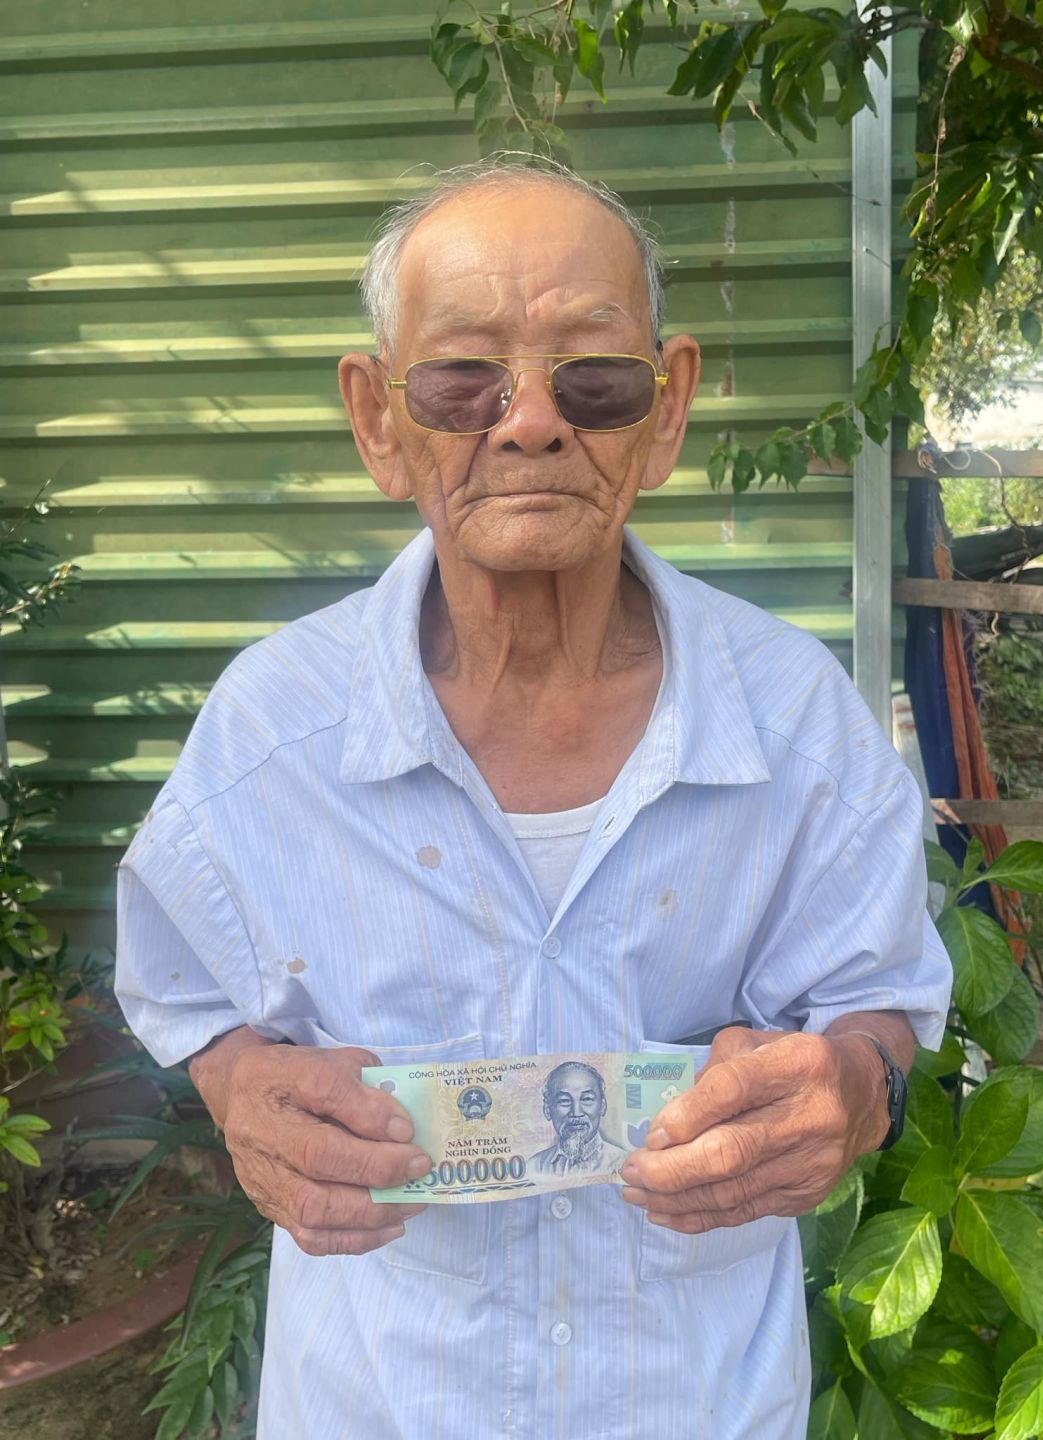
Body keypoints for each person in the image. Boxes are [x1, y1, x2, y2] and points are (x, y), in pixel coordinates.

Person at [114, 156, 952, 1440]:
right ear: (379, 420)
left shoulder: (799, 726)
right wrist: (238, 1090)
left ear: (664, 410)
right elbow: (183, 985)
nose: (530, 423)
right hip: (376, 1403)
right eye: (463, 378)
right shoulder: (271, 734)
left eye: (593, 376)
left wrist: (854, 1085)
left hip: (700, 1405)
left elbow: (879, 1002)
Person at [529, 1060, 628, 1177]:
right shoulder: (533, 1167)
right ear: (547, 1109)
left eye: (586, 1099)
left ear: (603, 1106)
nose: (576, 1113)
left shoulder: (624, 1162)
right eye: (564, 1100)